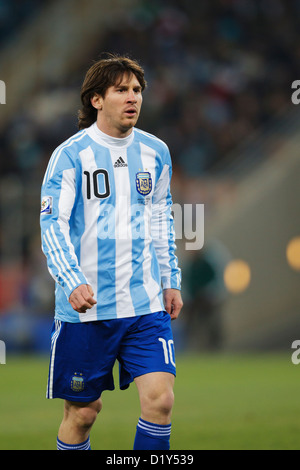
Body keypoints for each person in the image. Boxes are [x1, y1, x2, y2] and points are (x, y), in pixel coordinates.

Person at [40, 54, 183, 451]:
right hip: (87, 310)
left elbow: (161, 221)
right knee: (83, 414)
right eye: (121, 90)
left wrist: (170, 282)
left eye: (137, 90)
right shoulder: (70, 155)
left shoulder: (156, 152)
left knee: (161, 399)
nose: (132, 97)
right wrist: (72, 282)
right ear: (96, 100)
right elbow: (52, 226)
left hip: (145, 304)